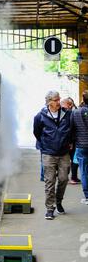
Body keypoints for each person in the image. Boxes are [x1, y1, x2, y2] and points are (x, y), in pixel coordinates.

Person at [33, 90, 72, 219]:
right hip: (48, 153)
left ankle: (59, 201)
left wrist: (69, 142)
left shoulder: (67, 114)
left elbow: (72, 130)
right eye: (56, 100)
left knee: (63, 179)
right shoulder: (40, 116)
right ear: (49, 102)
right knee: (49, 181)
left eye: (59, 99)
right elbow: (37, 133)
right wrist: (46, 144)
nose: (58, 102)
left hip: (64, 153)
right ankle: (50, 208)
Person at [70, 90, 88, 204]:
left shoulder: (75, 112)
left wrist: (71, 142)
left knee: (84, 172)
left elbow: (71, 129)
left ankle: (87, 196)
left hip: (81, 146)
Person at [60, 97, 81, 184]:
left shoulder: (58, 113)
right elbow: (72, 128)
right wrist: (71, 141)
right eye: (70, 104)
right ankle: (73, 177)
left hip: (62, 141)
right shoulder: (70, 113)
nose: (71, 105)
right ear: (68, 104)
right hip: (71, 141)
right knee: (74, 160)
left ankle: (65, 177)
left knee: (64, 160)